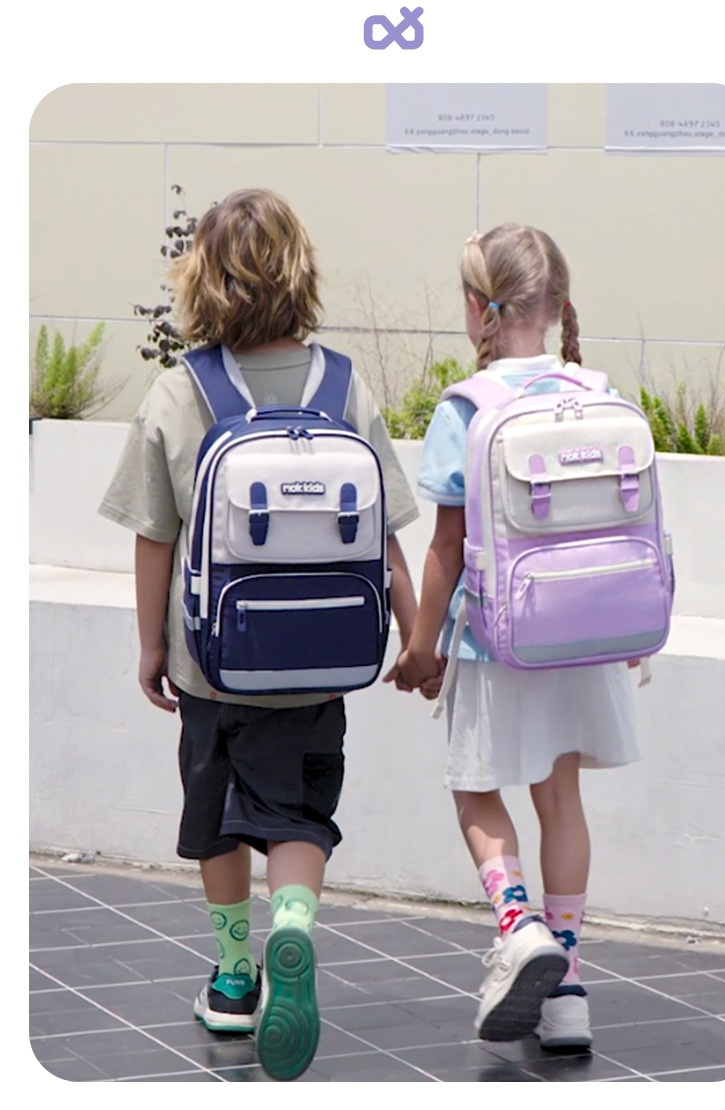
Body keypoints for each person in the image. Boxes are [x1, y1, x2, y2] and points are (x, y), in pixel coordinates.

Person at [99, 188, 422, 1082]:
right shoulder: (343, 386)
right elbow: (388, 535)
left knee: (214, 817)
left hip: (213, 662)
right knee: (299, 811)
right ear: (300, 273)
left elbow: (153, 535)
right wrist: (416, 636)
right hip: (321, 662)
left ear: (200, 280)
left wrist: (151, 648)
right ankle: (295, 925)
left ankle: (237, 978)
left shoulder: (180, 390)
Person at [386, 224, 641, 1051]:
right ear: (558, 305)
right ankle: (567, 986)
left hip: (496, 641)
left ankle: (517, 924)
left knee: (475, 791)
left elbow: (446, 547)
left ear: (476, 307)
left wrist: (421, 649)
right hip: (586, 633)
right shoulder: (595, 391)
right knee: (560, 797)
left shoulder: (467, 407)